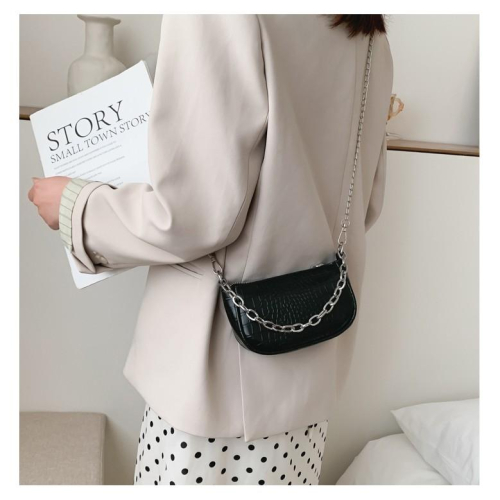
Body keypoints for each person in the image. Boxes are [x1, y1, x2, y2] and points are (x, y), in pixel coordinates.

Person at [28, 14, 393, 485]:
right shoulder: (369, 32)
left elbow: (193, 214)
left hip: (215, 391)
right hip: (309, 384)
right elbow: (367, 203)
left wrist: (77, 209)